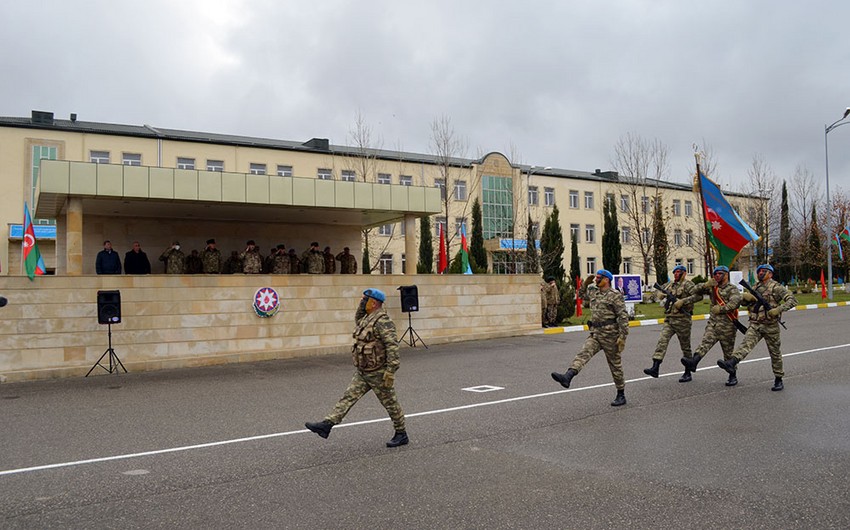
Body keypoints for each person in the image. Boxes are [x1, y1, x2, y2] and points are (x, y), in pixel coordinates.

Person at [305, 288, 408, 447]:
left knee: (390, 403)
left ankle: (401, 434)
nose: (362, 302)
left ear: (374, 303)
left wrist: (390, 371)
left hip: (379, 372)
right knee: (348, 397)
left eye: (365, 300)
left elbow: (392, 346)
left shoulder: (383, 321)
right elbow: (358, 318)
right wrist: (362, 305)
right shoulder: (367, 318)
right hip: (364, 371)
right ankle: (327, 425)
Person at [551, 269, 629, 406]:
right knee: (583, 354)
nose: (596, 280)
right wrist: (584, 284)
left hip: (610, 336)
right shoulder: (594, 292)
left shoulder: (615, 295)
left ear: (606, 280)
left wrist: (622, 337)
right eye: (596, 277)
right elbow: (580, 295)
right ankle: (568, 376)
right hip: (596, 333)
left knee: (615, 365)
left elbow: (623, 317)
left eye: (599, 278)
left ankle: (621, 393)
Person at [717, 264, 797, 391]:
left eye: (764, 271)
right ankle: (732, 362)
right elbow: (748, 303)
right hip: (755, 324)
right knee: (746, 344)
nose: (760, 273)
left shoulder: (776, 287)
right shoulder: (755, 287)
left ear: (770, 274)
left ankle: (778, 378)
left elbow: (792, 300)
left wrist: (778, 309)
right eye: (759, 271)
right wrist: (744, 298)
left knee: (775, 353)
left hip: (770, 325)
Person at [680, 266, 742, 386]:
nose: (717, 276)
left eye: (719, 274)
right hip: (713, 324)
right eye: (715, 274)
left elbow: (735, 303)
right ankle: (694, 362)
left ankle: (732, 375)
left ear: (726, 275)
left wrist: (721, 309)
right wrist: (705, 285)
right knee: (705, 343)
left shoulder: (732, 289)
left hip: (727, 325)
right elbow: (694, 291)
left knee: (728, 353)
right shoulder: (713, 287)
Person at [644, 265, 697, 382]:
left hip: (683, 320)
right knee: (662, 342)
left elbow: (698, 296)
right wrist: (660, 294)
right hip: (669, 319)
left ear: (684, 273)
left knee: (685, 347)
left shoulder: (688, 285)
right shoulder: (670, 284)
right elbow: (658, 291)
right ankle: (655, 367)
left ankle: (688, 372)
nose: (676, 274)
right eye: (674, 272)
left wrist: (683, 301)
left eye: (678, 272)